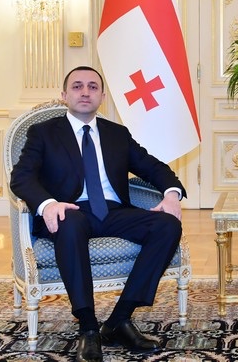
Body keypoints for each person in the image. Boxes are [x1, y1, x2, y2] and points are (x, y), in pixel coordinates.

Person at [11, 66, 185, 362]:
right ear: (64, 95)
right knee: (69, 222)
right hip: (69, 210)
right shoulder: (44, 132)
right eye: (77, 86)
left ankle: (119, 320)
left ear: (102, 96)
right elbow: (21, 177)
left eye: (93, 87)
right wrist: (48, 204)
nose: (85, 92)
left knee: (168, 225)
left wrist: (171, 193)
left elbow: (152, 166)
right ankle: (88, 327)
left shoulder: (117, 134)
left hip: (114, 211)